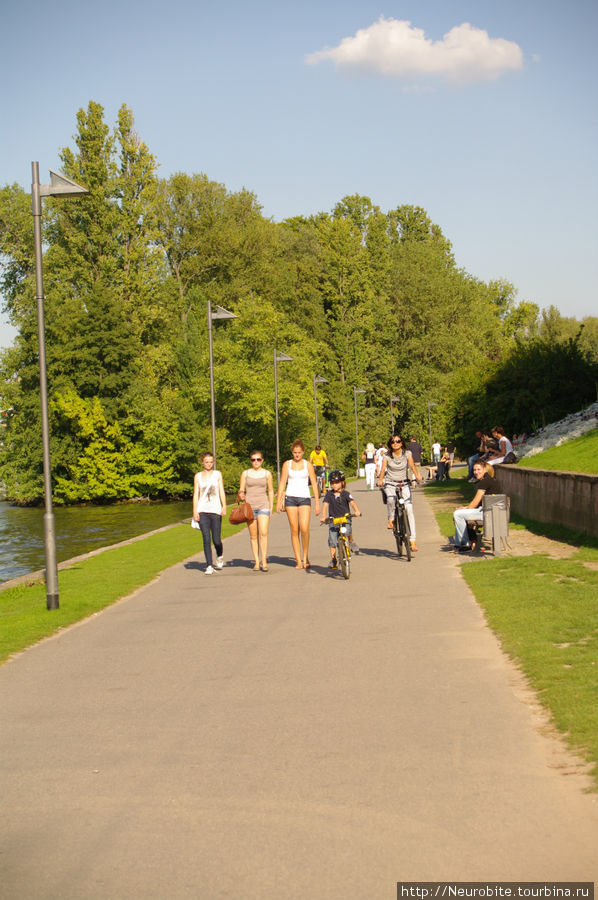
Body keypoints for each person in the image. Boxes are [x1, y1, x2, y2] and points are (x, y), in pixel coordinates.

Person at [276, 439, 320, 569]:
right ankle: (298, 560)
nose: (297, 455)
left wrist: (317, 502)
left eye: (299, 453)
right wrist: (279, 501)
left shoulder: (308, 465)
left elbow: (314, 484)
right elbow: (282, 482)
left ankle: (305, 557)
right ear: (292, 452)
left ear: (303, 452)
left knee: (305, 528)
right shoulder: (287, 464)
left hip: (304, 498)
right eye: (295, 453)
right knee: (294, 529)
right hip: (290, 498)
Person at [377, 433, 423, 552]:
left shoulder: (407, 454)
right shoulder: (387, 456)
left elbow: (412, 465)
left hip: (404, 483)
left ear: (402, 443)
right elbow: (383, 469)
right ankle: (391, 520)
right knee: (391, 499)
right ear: (390, 444)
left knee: (409, 509)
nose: (395, 443)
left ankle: (412, 541)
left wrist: (417, 475)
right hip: (391, 482)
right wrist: (381, 480)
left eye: (398, 441)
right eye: (393, 442)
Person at [452, 459, 500, 552]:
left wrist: (465, 508)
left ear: (485, 469)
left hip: (487, 513)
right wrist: (465, 508)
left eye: (478, 469)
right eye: (474, 470)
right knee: (458, 513)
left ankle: (465, 544)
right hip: (492, 511)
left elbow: (475, 503)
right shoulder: (489, 480)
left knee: (458, 514)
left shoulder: (484, 482)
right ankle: (461, 543)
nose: (476, 472)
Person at [238, 450, 274, 572]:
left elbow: (270, 490)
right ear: (251, 461)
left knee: (263, 533)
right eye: (253, 460)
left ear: (262, 460)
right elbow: (241, 489)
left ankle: (264, 561)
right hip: (250, 507)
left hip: (263, 505)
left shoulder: (267, 474)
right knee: (254, 536)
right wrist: (242, 494)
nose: (256, 462)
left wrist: (271, 507)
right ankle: (256, 562)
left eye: (258, 459)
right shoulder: (246, 474)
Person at [192, 452, 227, 574]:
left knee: (216, 539)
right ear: (202, 462)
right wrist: (195, 511)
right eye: (206, 462)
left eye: (211, 461)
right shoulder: (198, 476)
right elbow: (196, 494)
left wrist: (224, 506)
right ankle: (209, 565)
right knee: (206, 538)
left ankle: (219, 554)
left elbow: (221, 490)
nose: (209, 464)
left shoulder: (217, 475)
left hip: (215, 510)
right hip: (202, 510)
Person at [320, 470, 362, 569]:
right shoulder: (329, 495)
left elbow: (352, 503)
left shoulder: (346, 494)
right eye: (332, 483)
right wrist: (323, 516)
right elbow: (325, 505)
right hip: (333, 520)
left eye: (337, 482)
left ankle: (351, 541)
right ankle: (334, 559)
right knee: (332, 540)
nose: (334, 485)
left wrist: (356, 511)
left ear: (342, 482)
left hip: (344, 518)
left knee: (347, 531)